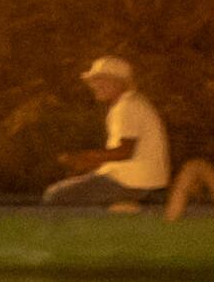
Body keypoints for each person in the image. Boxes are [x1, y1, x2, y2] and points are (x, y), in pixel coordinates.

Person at [48, 56, 172, 204]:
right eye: (94, 81)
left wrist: (83, 156)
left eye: (102, 80)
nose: (95, 85)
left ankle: (119, 210)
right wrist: (87, 164)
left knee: (55, 195)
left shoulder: (126, 106)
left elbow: (124, 152)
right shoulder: (132, 103)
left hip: (131, 182)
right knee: (70, 188)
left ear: (121, 83)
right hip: (141, 180)